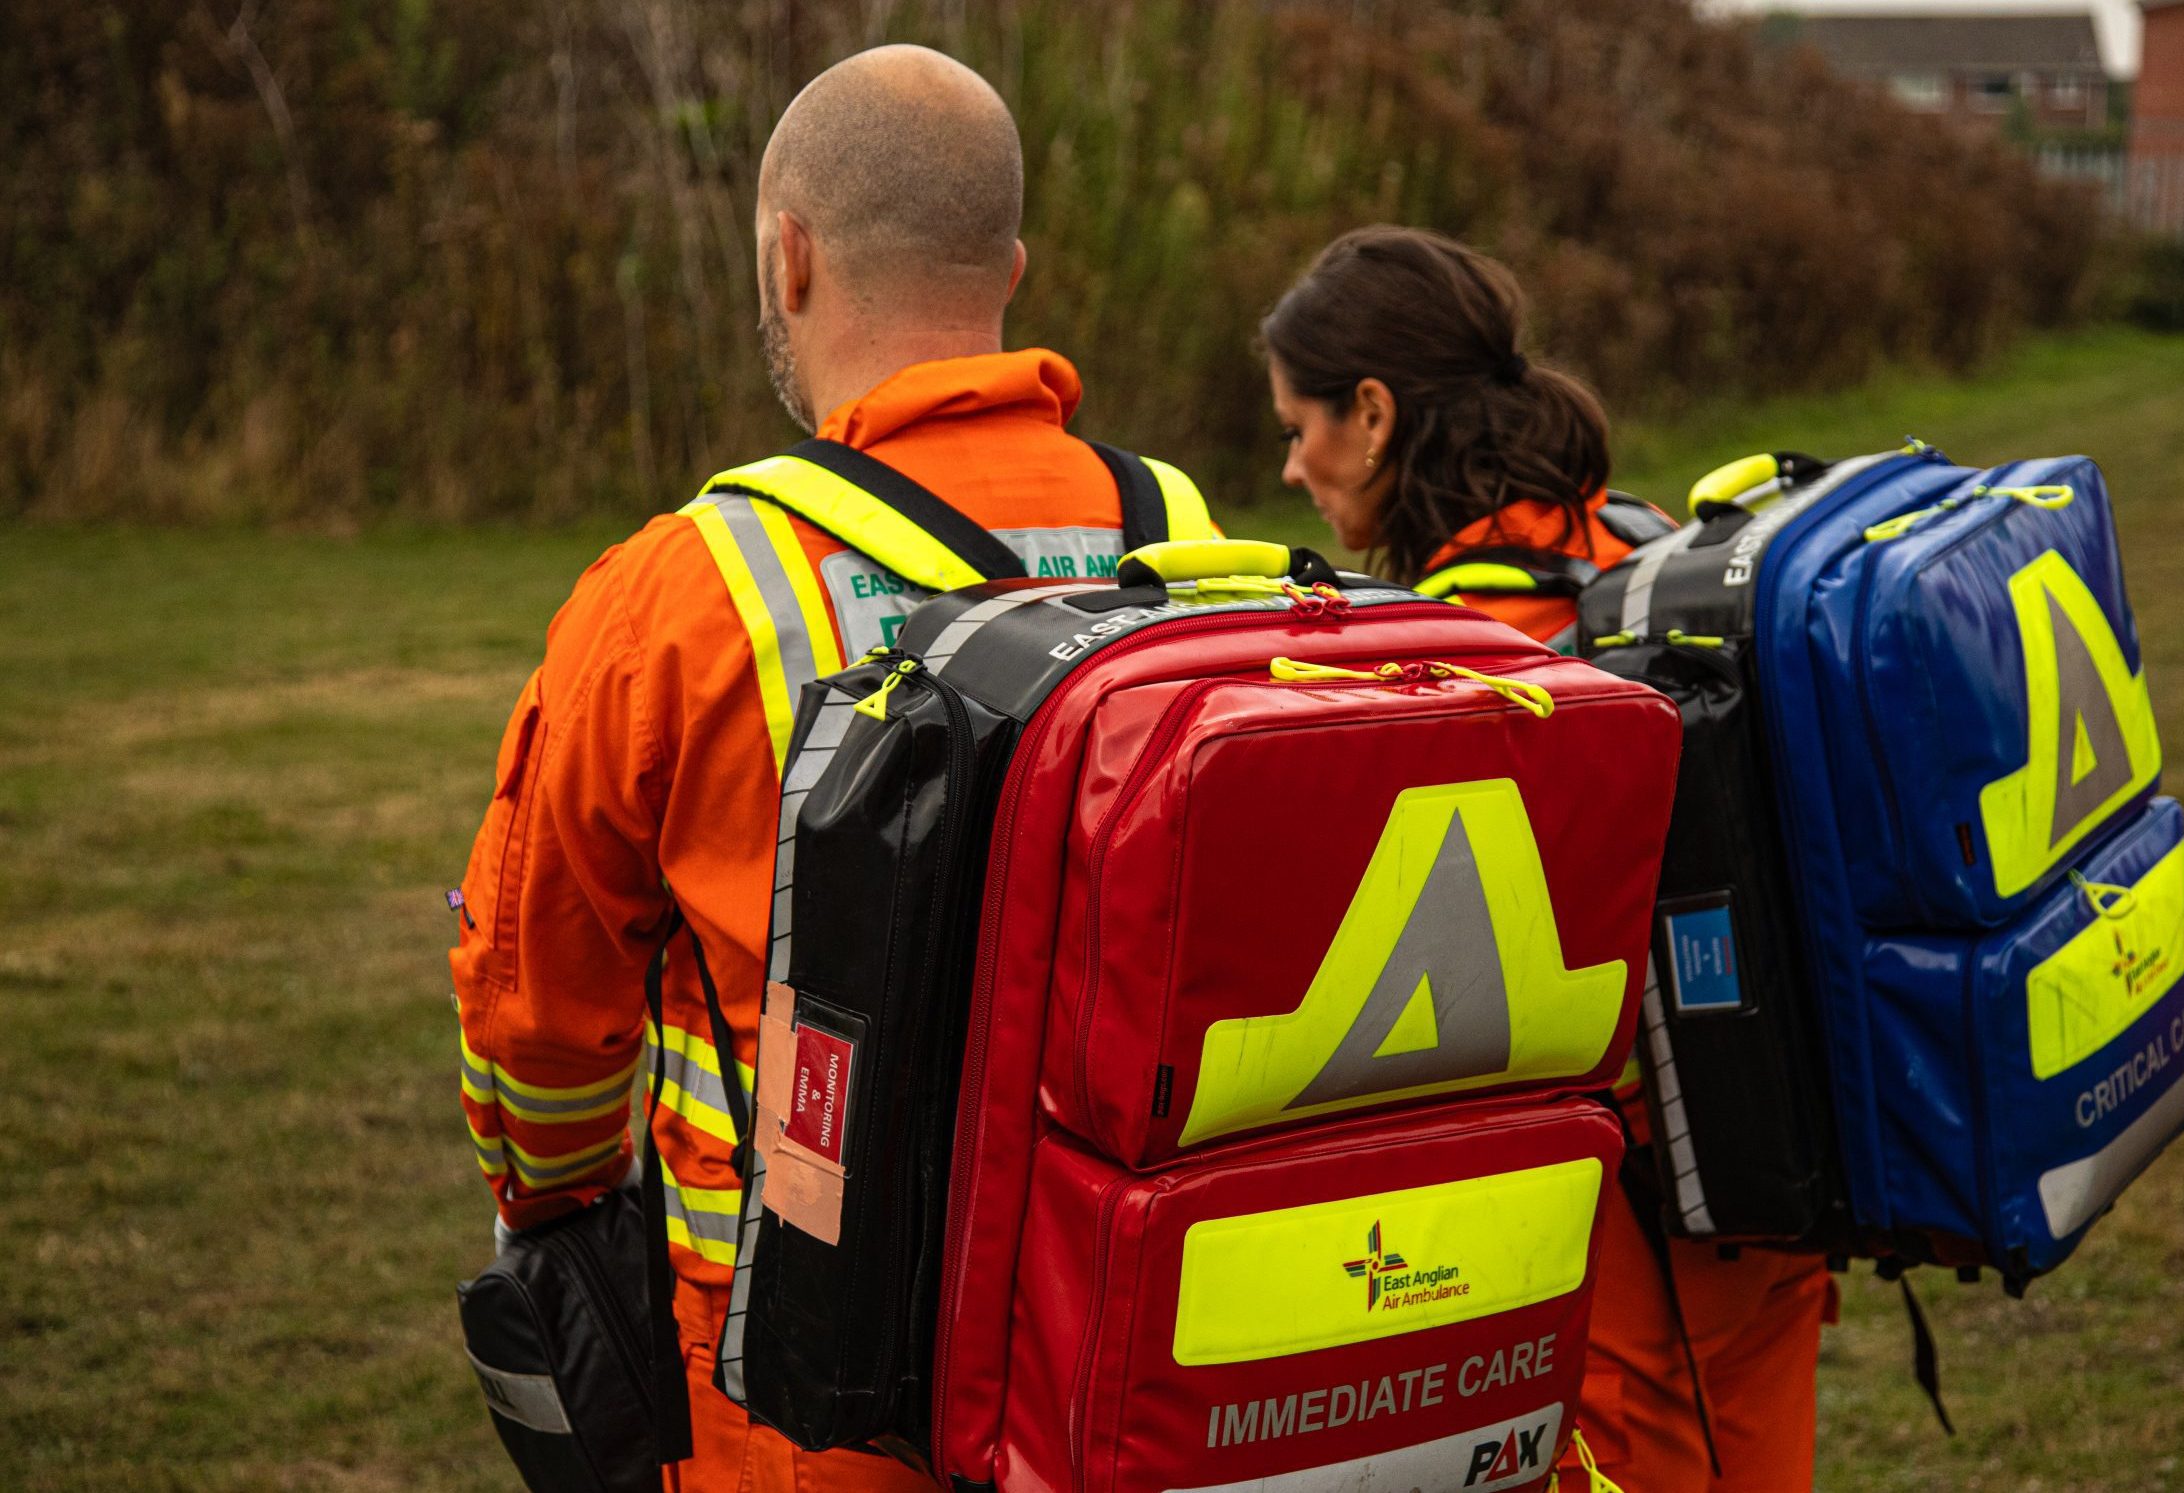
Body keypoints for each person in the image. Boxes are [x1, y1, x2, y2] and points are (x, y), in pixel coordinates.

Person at [450, 45, 1211, 1492]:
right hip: (1109, 1338)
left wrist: (550, 1204)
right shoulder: (1185, 535)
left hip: (802, 1386)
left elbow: (537, 1000)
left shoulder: (684, 586)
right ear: (1011, 263)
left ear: (787, 256)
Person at [1261, 225, 1838, 1491]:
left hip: (1618, 1229)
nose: (1293, 464)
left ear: (1372, 413)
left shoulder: (1472, 649)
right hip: (1752, 1167)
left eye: (1300, 425)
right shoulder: (1636, 541)